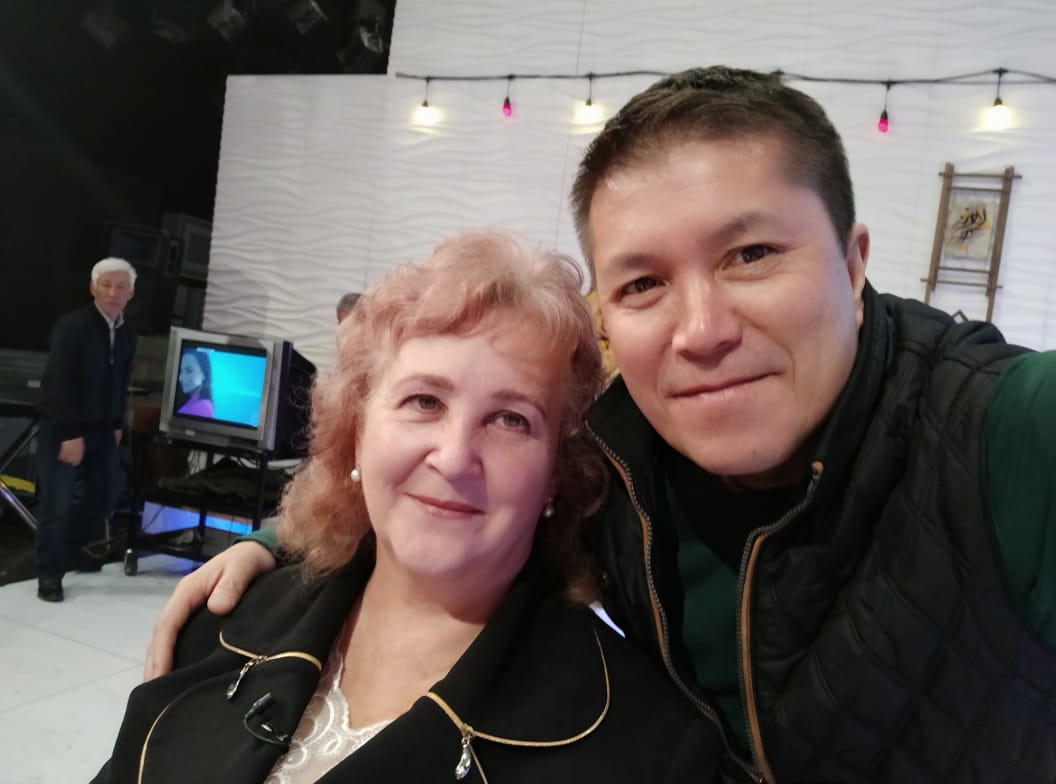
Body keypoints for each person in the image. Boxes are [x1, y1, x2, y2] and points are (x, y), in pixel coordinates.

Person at [145, 67, 1056, 783]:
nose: (702, 332)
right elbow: (437, 489)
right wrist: (275, 543)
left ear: (853, 265)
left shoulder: (1002, 429)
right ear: (611, 315)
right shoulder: (619, 457)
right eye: (644, 282)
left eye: (751, 254)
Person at [96, 232, 721, 783]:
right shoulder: (215, 627)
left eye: (511, 418)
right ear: (356, 433)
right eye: (424, 401)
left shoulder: (646, 752)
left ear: (558, 471)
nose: (454, 457)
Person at [34, 257, 137, 603]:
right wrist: (69, 434)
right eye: (106, 285)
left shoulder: (127, 332)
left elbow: (120, 380)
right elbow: (58, 383)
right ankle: (49, 574)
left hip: (102, 428)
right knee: (56, 505)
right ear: (93, 288)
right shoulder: (73, 327)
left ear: (131, 293)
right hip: (63, 427)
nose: (113, 293)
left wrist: (117, 423)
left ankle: (67, 550)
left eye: (121, 286)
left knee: (107, 494)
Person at [175, 348, 215, 417]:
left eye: (189, 370)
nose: (180, 378)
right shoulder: (189, 399)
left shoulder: (203, 407)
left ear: (204, 374)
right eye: (180, 371)